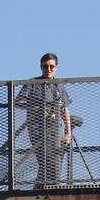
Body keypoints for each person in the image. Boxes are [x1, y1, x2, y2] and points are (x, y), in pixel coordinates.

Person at [16, 53, 72, 187]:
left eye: (52, 66)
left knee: (56, 161)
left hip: (55, 131)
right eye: (45, 66)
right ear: (41, 67)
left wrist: (68, 132)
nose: (49, 69)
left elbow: (65, 109)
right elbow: (18, 102)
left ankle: (45, 187)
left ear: (56, 67)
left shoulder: (59, 86)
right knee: (46, 161)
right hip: (38, 130)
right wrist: (37, 108)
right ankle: (43, 189)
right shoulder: (33, 83)